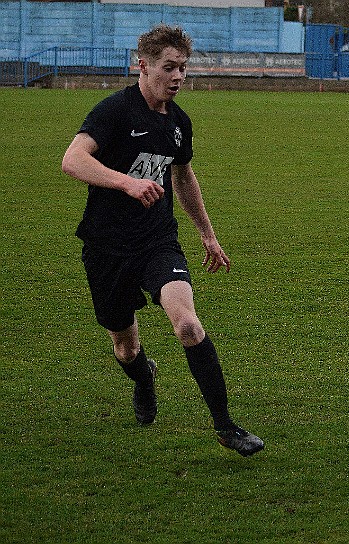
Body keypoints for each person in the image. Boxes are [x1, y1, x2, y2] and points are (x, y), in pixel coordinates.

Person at [61, 24, 264, 457]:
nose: (177, 77)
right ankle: (144, 378)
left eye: (183, 68)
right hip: (106, 246)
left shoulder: (178, 123)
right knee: (125, 346)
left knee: (188, 324)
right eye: (169, 67)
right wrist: (126, 183)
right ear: (144, 66)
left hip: (157, 241)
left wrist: (207, 235)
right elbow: (72, 159)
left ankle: (226, 427)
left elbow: (184, 176)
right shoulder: (114, 111)